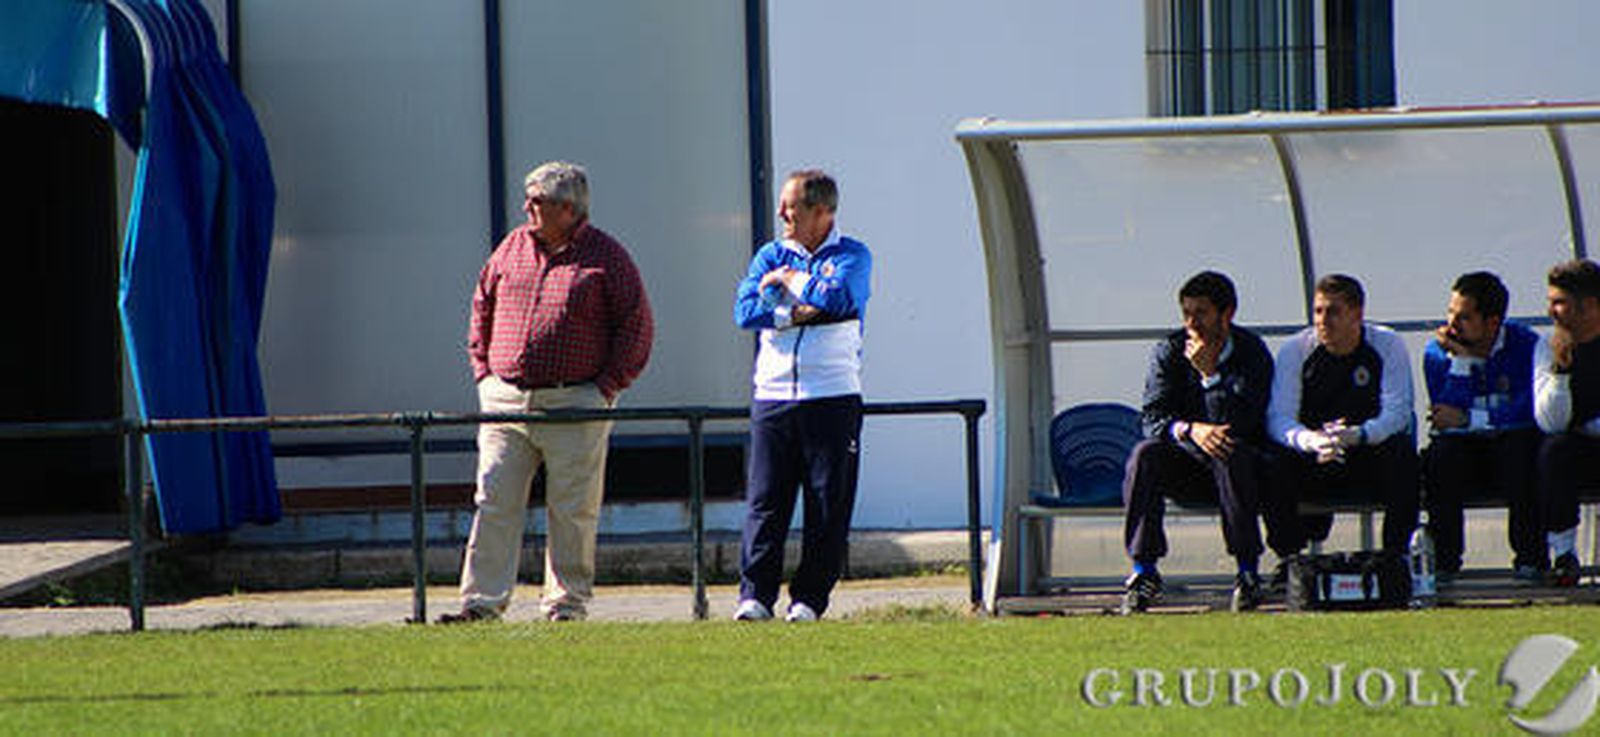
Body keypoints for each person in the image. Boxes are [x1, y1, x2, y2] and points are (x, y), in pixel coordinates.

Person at [443, 161, 654, 623]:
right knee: (494, 499)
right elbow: (482, 307)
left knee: (573, 508)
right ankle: (480, 603)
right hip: (504, 399)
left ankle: (565, 604)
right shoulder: (512, 247)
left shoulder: (607, 257)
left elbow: (636, 327)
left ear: (567, 208)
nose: (526, 208)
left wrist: (604, 389)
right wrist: (484, 373)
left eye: (536, 201)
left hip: (574, 399)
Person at [731, 169, 872, 622]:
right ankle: (754, 596)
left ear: (821, 212)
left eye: (789, 206)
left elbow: (840, 297)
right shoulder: (768, 254)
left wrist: (789, 280)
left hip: (832, 396)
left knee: (827, 503)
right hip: (772, 395)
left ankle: (809, 600)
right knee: (765, 500)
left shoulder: (853, 254)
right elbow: (745, 311)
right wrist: (796, 314)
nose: (780, 214)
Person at [1120, 271, 1274, 614]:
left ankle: (1247, 572)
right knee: (1145, 454)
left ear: (1227, 313)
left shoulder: (1251, 352)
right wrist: (1190, 430)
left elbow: (1244, 421)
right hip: (1187, 462)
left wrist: (1210, 377)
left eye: (1201, 313)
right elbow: (1152, 418)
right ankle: (1144, 572)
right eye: (1186, 313)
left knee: (1228, 449)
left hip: (1239, 468)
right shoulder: (1169, 351)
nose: (1192, 324)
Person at [1264, 274, 1419, 562]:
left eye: (1333, 311)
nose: (1323, 320)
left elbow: (1398, 413)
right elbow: (1279, 419)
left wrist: (1358, 435)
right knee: (1273, 462)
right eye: (1318, 311)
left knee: (1402, 455)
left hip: (1367, 454)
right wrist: (1312, 441)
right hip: (1315, 457)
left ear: (1357, 314)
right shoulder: (1295, 350)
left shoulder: (1386, 345)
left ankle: (1395, 560)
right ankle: (1289, 561)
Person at [1421, 271, 1542, 585]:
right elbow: (1445, 416)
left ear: (1493, 322)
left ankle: (1531, 560)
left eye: (1464, 317)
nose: (1452, 325)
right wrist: (1461, 362)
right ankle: (1445, 564)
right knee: (1441, 455)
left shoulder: (1527, 346)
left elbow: (1527, 412)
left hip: (1511, 448)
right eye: (1451, 313)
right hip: (1466, 452)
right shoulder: (1437, 353)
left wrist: (1470, 419)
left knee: (1521, 448)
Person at [1533, 258, 1600, 587]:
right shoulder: (1548, 346)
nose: (1552, 312)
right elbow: (1550, 422)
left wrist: (1588, 425)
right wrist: (1560, 372)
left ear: (1589, 306)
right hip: (1579, 452)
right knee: (1555, 449)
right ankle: (1562, 555)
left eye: (1559, 303)